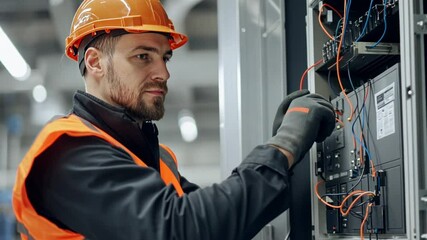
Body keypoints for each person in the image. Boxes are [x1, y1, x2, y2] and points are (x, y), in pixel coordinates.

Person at [12, 0, 336, 239]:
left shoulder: (153, 156)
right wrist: (282, 149)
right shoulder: (66, 153)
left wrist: (286, 156)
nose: (163, 73)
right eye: (143, 56)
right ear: (95, 63)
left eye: (164, 57)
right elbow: (180, 230)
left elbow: (219, 222)